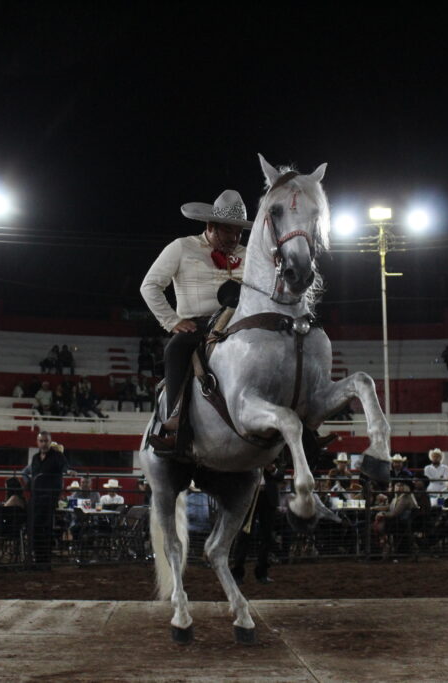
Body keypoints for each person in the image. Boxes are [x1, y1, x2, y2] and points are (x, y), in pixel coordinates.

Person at [140, 188, 250, 453]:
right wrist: (171, 321)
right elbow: (150, 286)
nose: (235, 237)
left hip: (240, 324)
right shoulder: (182, 247)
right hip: (198, 325)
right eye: (228, 231)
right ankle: (175, 424)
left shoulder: (248, 253)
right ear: (211, 226)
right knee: (175, 348)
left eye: (239, 232)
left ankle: (299, 431)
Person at [232, 460, 284, 583]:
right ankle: (237, 573)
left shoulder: (273, 455)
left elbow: (280, 476)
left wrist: (272, 469)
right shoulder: (249, 454)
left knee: (267, 537)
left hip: (268, 498)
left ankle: (262, 573)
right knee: (244, 535)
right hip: (249, 496)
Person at [21, 431, 67, 567]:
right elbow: (32, 474)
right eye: (41, 441)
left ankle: (43, 560)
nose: (43, 443)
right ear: (38, 442)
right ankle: (37, 558)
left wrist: (68, 471)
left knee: (44, 527)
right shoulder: (35, 458)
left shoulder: (57, 456)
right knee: (34, 527)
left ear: (49, 442)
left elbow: (64, 467)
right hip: (36, 496)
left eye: (46, 441)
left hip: (48, 496)